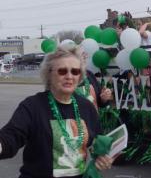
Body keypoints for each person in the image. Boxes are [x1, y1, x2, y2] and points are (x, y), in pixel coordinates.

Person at [0, 47, 113, 178]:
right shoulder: (32, 106)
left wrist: (101, 159)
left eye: (75, 71)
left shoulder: (86, 107)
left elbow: (96, 142)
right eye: (62, 71)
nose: (69, 76)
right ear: (49, 74)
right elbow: (12, 136)